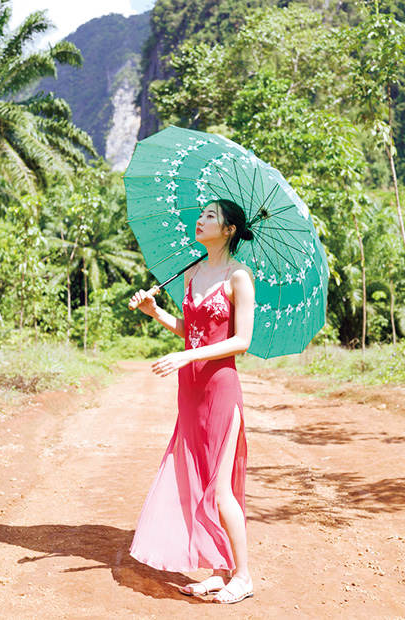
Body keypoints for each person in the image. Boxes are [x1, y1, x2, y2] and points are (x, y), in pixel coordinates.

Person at [129, 199, 255, 604]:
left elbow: (241, 341)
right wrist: (155, 313)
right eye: (200, 215)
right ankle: (219, 571)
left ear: (230, 229)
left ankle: (244, 576)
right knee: (198, 480)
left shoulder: (239, 277)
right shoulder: (193, 273)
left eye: (210, 216)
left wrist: (187, 355)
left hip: (220, 387)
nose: (200, 220)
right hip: (191, 389)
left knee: (220, 490)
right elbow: (191, 330)